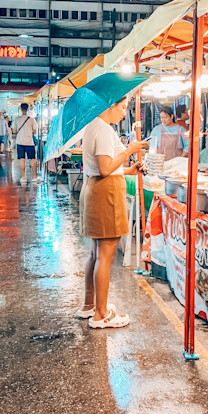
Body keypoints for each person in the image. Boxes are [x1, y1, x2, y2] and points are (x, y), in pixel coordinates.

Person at [78, 97, 147, 328]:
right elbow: (106, 169)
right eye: (123, 107)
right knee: (105, 256)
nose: (124, 112)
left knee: (96, 254)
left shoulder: (93, 127)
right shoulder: (105, 131)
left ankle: (90, 306)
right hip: (105, 193)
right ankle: (101, 314)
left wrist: (128, 169)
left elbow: (105, 166)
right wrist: (130, 150)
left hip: (95, 188)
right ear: (110, 105)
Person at [13, 103, 41, 184]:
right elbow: (34, 131)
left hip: (20, 142)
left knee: (21, 159)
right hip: (29, 142)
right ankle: (34, 177)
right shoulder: (31, 120)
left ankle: (24, 178)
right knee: (32, 159)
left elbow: (14, 131)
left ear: (21, 109)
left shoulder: (16, 119)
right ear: (28, 109)